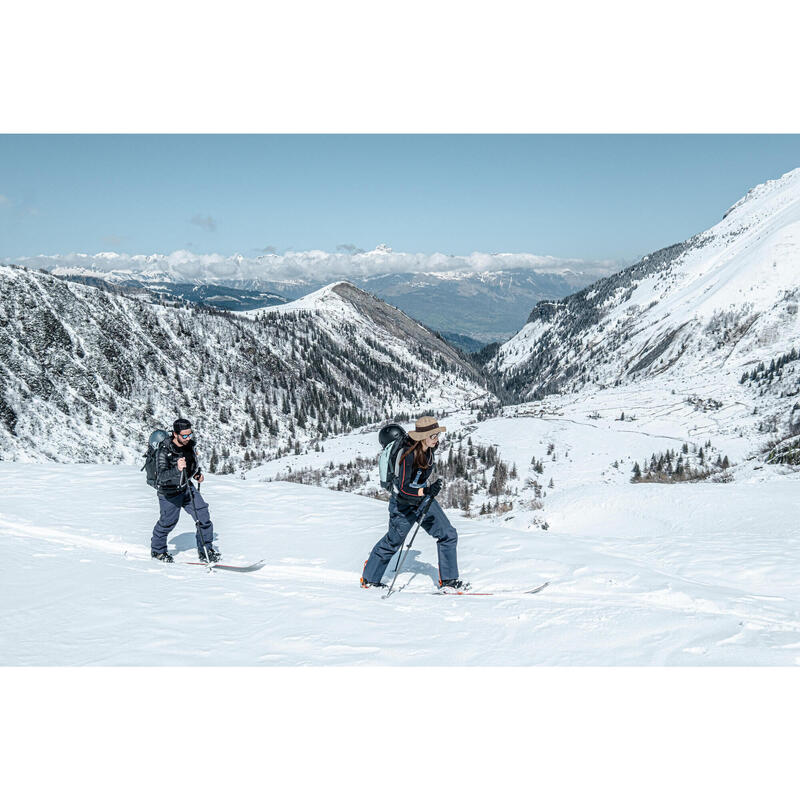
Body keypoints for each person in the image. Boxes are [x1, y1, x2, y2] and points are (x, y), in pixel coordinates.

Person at [361, 415, 468, 591]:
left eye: (437, 435)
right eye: (433, 436)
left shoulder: (429, 449)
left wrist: (426, 491)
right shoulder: (407, 455)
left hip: (423, 501)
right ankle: (370, 579)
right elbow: (403, 489)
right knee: (392, 542)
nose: (437, 439)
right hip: (403, 505)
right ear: (422, 437)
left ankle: (449, 581)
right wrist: (426, 490)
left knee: (448, 534)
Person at [150, 417, 220, 563]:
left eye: (190, 434)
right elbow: (161, 477)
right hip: (169, 493)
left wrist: (196, 474)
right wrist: (177, 469)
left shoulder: (189, 446)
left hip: (187, 488)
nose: (188, 438)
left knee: (203, 516)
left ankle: (206, 550)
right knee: (168, 522)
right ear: (175, 434)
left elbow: (190, 465)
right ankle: (158, 551)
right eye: (185, 435)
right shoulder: (163, 451)